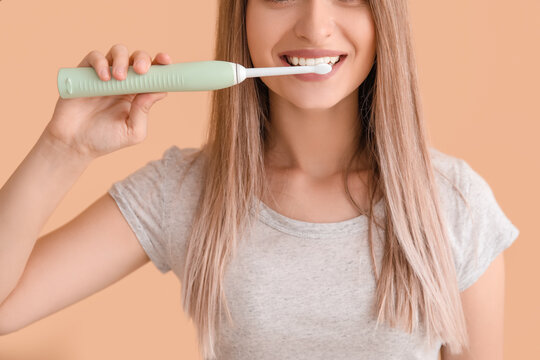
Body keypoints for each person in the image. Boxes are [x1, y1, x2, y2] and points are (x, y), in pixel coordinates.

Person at [0, 0, 519, 359]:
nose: (316, 27)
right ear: (242, 15)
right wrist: (63, 149)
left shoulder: (454, 204)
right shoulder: (186, 192)